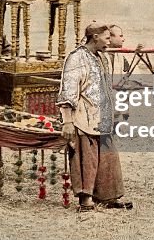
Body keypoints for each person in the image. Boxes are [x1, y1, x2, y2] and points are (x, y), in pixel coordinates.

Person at [58, 23, 130, 212]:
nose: (109, 41)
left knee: (108, 157)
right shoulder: (76, 58)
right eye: (107, 38)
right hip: (83, 116)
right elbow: (68, 91)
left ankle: (108, 196)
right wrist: (67, 121)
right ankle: (86, 199)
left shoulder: (101, 57)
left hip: (103, 116)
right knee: (87, 159)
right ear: (95, 37)